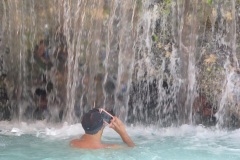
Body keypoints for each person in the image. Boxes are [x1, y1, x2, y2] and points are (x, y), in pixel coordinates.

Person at [70, 108, 135, 149]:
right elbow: (132, 148)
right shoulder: (109, 148)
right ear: (104, 123)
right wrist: (123, 133)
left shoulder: (73, 142)